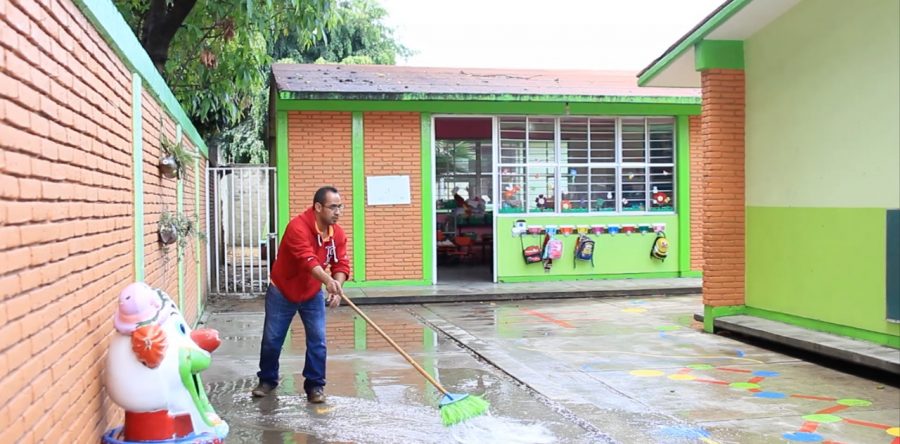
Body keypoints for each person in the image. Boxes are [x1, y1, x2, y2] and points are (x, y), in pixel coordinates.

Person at [251, 186, 350, 403]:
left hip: (311, 293)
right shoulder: (297, 227)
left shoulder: (337, 234)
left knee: (318, 341)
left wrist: (337, 287)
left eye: (340, 207)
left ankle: (315, 386)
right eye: (333, 207)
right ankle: (267, 380)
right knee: (272, 339)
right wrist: (328, 282)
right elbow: (308, 260)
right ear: (317, 207)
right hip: (282, 291)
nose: (338, 212)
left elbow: (341, 263)